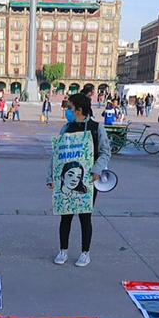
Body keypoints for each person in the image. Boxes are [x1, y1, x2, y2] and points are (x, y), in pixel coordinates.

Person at [50, 92, 110, 268]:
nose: (68, 110)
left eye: (70, 107)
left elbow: (105, 152)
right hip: (65, 182)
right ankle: (63, 250)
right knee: (65, 217)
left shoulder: (96, 128)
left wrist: (97, 170)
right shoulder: (66, 128)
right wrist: (51, 177)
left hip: (88, 181)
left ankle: (85, 252)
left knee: (85, 217)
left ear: (79, 110)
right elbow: (56, 155)